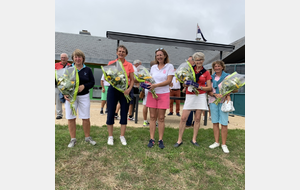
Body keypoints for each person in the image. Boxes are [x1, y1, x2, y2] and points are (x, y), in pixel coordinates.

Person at [174, 52, 212, 148]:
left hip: (201, 96)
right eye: (197, 60)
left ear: (203, 61)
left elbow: (209, 88)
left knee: (197, 119)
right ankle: (179, 140)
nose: (198, 62)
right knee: (183, 118)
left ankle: (194, 139)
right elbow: (183, 83)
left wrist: (199, 87)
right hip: (190, 95)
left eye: (200, 60)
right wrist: (185, 84)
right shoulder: (189, 70)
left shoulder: (206, 72)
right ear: (194, 61)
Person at [63, 49, 96, 148]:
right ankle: (73, 139)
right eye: (75, 57)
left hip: (84, 96)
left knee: (85, 117)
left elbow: (92, 82)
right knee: (71, 117)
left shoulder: (88, 70)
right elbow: (62, 82)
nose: (77, 59)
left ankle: (87, 137)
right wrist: (64, 93)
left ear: (83, 58)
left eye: (79, 57)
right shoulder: (68, 69)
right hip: (71, 97)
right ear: (73, 58)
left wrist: (84, 86)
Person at [106, 45, 134, 146]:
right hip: (113, 90)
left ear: (126, 54)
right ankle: (110, 136)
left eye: (123, 52)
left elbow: (132, 79)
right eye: (119, 51)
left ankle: (122, 136)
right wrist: (108, 78)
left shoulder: (129, 65)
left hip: (125, 91)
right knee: (110, 112)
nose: (121, 53)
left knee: (124, 112)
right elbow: (107, 77)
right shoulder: (111, 63)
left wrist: (129, 89)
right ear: (117, 52)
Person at [146, 48, 174, 149]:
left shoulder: (169, 66)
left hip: (163, 94)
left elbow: (168, 81)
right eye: (157, 55)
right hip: (152, 94)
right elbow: (149, 79)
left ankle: (160, 140)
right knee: (152, 117)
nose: (159, 57)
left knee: (161, 118)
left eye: (161, 55)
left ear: (165, 56)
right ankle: (152, 139)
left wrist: (155, 85)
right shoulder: (153, 67)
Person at [207, 60, 238, 153]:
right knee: (215, 122)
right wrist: (214, 94)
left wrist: (228, 92)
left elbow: (235, 89)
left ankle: (224, 144)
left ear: (222, 67)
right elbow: (208, 91)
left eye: (218, 66)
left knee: (224, 123)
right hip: (213, 102)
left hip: (224, 102)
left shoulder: (228, 77)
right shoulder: (211, 77)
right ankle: (216, 142)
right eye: (215, 66)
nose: (217, 68)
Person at [55, 53, 71, 119]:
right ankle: (59, 114)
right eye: (62, 57)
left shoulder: (70, 66)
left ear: (67, 58)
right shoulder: (56, 65)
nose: (63, 58)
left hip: (67, 85)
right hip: (58, 85)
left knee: (68, 99)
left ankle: (69, 114)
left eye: (64, 57)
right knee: (58, 99)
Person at [185, 56, 196, 127]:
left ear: (193, 61)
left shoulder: (196, 69)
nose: (187, 62)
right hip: (189, 91)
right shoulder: (187, 70)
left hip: (196, 91)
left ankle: (195, 122)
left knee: (196, 108)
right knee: (189, 107)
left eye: (189, 61)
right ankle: (188, 122)